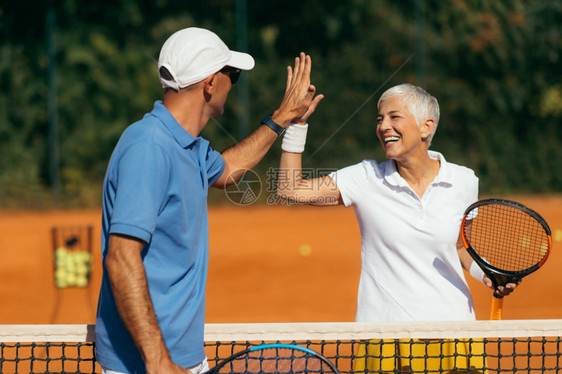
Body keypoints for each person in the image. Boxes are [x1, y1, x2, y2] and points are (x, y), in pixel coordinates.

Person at [95, 27, 323, 374]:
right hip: (145, 365)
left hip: (182, 359)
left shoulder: (189, 147)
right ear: (210, 84)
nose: (233, 83)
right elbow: (121, 258)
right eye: (232, 75)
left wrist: (283, 118)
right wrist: (158, 361)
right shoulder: (149, 146)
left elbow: (229, 168)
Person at [276, 83, 520, 372]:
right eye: (380, 119)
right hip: (384, 335)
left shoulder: (464, 181)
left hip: (453, 331)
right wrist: (297, 125)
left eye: (394, 117)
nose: (383, 126)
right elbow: (290, 189)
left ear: (426, 127)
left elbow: (457, 246)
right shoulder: (366, 177)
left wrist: (486, 273)